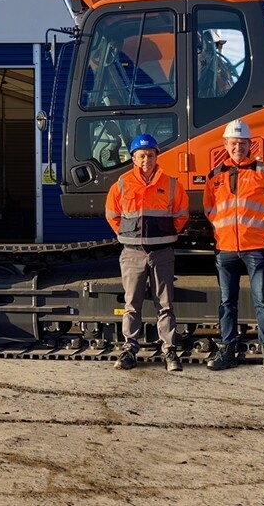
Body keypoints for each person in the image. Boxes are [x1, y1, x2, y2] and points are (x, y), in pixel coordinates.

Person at [203, 119, 264, 374]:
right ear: (226, 145)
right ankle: (228, 351)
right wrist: (221, 231)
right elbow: (209, 208)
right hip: (226, 248)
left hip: (256, 247)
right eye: (233, 143)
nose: (237, 146)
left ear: (250, 144)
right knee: (227, 302)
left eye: (242, 142)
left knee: (262, 301)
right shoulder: (214, 176)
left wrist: (263, 231)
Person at [105, 133, 190, 372]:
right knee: (132, 304)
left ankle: (169, 351)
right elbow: (112, 215)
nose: (146, 160)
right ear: (133, 158)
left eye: (150, 155)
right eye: (141, 155)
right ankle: (129, 349)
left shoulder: (171, 184)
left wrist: (165, 234)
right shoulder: (121, 184)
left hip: (162, 253)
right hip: (132, 254)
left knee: (165, 304)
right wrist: (130, 236)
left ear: (156, 157)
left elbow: (182, 214)